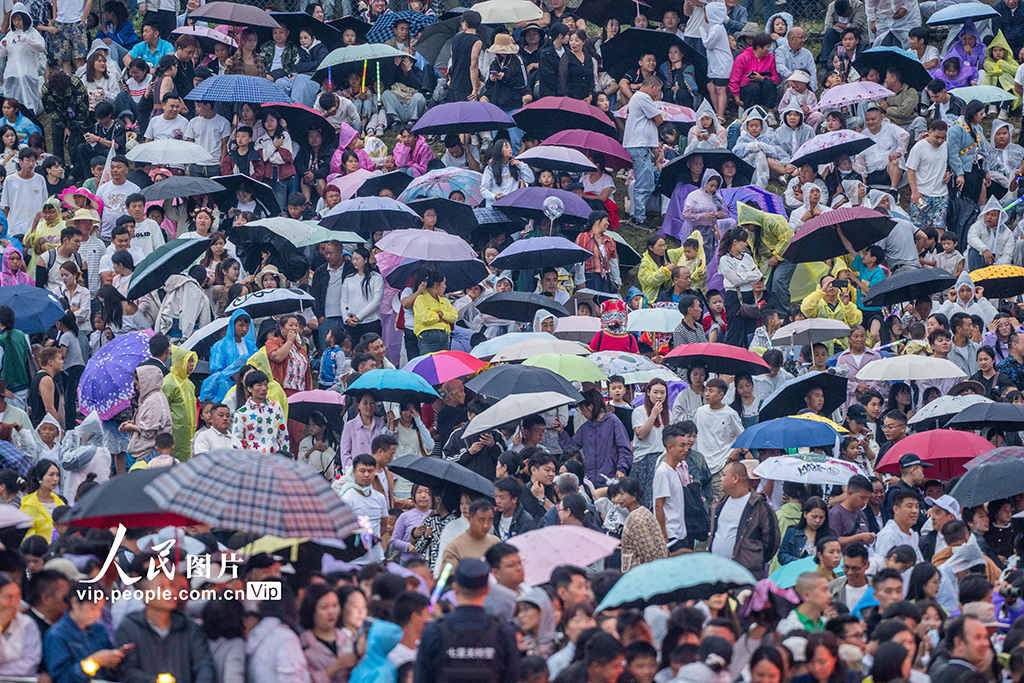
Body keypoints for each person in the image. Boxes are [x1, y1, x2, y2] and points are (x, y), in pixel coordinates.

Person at [414, 558, 519, 683]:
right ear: (487, 590)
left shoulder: (434, 631)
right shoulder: (503, 632)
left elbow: (422, 678)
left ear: (455, 588)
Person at [709, 461, 780, 579]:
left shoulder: (759, 506)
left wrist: (754, 560)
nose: (721, 479)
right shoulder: (719, 504)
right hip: (718, 574)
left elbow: (772, 541)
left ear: (735, 478)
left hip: (745, 576)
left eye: (724, 475)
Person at [557, 388, 632, 486]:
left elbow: (624, 448)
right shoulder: (586, 427)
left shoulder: (613, 421)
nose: (583, 413)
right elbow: (572, 448)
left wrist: (621, 469)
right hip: (590, 480)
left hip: (611, 478)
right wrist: (561, 432)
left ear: (591, 407)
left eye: (583, 409)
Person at [622, 76, 664, 228]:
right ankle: (638, 218)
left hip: (641, 145)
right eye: (658, 90)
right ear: (652, 86)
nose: (657, 94)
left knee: (645, 182)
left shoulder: (636, 98)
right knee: (644, 184)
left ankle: (639, 215)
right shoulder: (643, 97)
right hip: (639, 145)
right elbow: (659, 119)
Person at [340, 453, 388, 565]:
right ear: (354, 472)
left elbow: (384, 526)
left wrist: (373, 540)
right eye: (362, 471)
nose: (366, 475)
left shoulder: (380, 497)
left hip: (377, 559)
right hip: (355, 561)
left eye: (370, 471)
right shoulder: (347, 498)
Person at [231, 369, 288, 454]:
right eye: (259, 385)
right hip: (252, 461)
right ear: (249, 389)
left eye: (265, 384)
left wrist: (285, 457)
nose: (264, 388)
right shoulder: (241, 413)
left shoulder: (276, 408)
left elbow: (283, 435)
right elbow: (236, 440)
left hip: (274, 459)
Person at [413, 271, 456, 355]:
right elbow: (425, 318)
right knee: (428, 364)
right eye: (443, 283)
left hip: (444, 335)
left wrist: (441, 314)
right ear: (436, 284)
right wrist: (442, 318)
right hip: (427, 336)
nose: (445, 286)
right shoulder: (421, 299)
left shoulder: (444, 299)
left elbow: (454, 316)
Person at [447, 10, 483, 102]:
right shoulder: (477, 41)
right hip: (466, 85)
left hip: (454, 83)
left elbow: (452, 55)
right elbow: (473, 66)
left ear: (465, 23)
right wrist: (475, 88)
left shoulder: (455, 38)